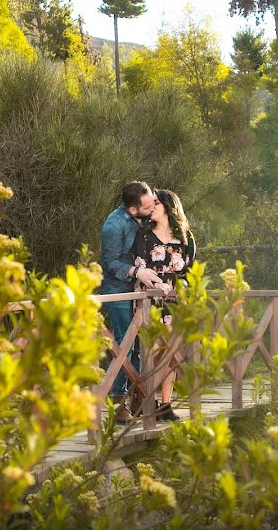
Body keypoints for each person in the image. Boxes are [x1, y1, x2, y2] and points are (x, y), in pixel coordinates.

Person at [131, 188, 196, 422]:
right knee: (154, 351)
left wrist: (183, 286)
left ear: (168, 207)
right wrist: (159, 286)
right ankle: (145, 400)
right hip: (150, 300)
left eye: (156, 203)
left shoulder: (185, 238)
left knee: (170, 352)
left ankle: (165, 405)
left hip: (174, 303)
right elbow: (140, 266)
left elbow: (189, 271)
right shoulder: (144, 236)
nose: (152, 207)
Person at [100, 181, 162, 424]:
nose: (152, 206)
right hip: (119, 293)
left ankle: (138, 397)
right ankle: (116, 403)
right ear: (133, 210)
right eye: (148, 205)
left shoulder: (145, 217)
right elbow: (110, 263)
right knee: (124, 347)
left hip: (140, 294)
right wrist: (136, 273)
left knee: (139, 344)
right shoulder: (113, 226)